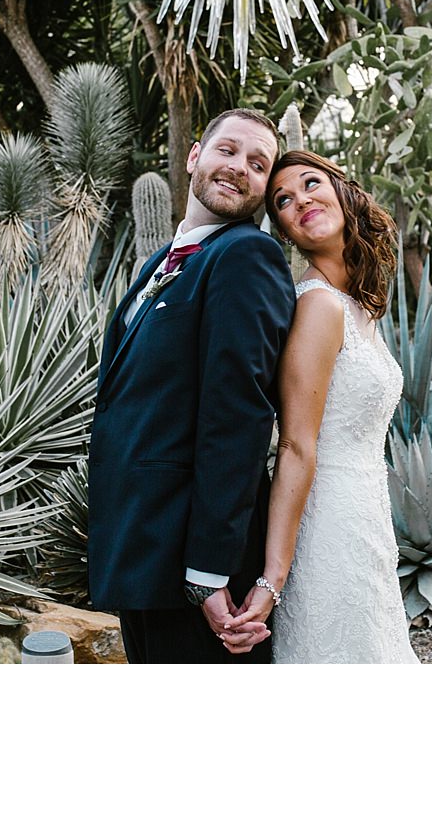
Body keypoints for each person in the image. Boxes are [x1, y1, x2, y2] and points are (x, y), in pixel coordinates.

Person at [87, 109, 295, 663]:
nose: (240, 167)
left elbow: (237, 417)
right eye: (228, 150)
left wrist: (209, 571)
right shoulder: (164, 260)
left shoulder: (246, 256)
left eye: (258, 164)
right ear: (194, 156)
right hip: (141, 545)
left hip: (193, 562)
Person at [229, 149, 419, 663]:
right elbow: (294, 445)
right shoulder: (318, 305)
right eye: (283, 200)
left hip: (366, 519)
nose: (300, 200)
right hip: (327, 527)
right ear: (285, 232)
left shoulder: (356, 304)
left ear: (342, 191)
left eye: (311, 183)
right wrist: (272, 579)